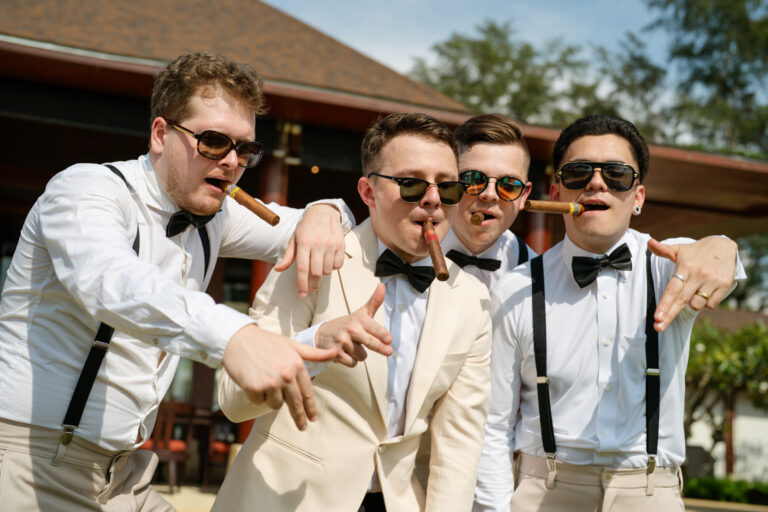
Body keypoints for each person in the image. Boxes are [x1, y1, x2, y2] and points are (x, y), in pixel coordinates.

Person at [0, 52, 356, 511]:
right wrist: (235, 336)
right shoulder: (86, 189)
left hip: (124, 472)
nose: (232, 162)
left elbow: (316, 228)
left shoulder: (217, 217)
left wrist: (328, 210)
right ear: (160, 134)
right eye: (213, 141)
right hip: (32, 460)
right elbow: (111, 282)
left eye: (244, 149)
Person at [213, 113, 492, 512]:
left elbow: (459, 444)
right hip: (286, 501)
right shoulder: (316, 254)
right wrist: (313, 345)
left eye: (447, 186)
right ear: (368, 192)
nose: (432, 198)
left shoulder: (470, 298)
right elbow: (233, 399)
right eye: (411, 183)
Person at [473, 114, 745, 511]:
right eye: (578, 173)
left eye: (616, 174)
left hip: (650, 492)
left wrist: (723, 245)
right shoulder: (516, 288)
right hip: (545, 489)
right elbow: (493, 426)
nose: (597, 183)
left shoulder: (669, 267)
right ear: (556, 190)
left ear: (638, 196)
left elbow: (720, 262)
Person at [442, 114, 536, 287]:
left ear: (523, 196)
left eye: (508, 185)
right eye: (473, 179)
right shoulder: (402, 255)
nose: (490, 194)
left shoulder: (537, 277)